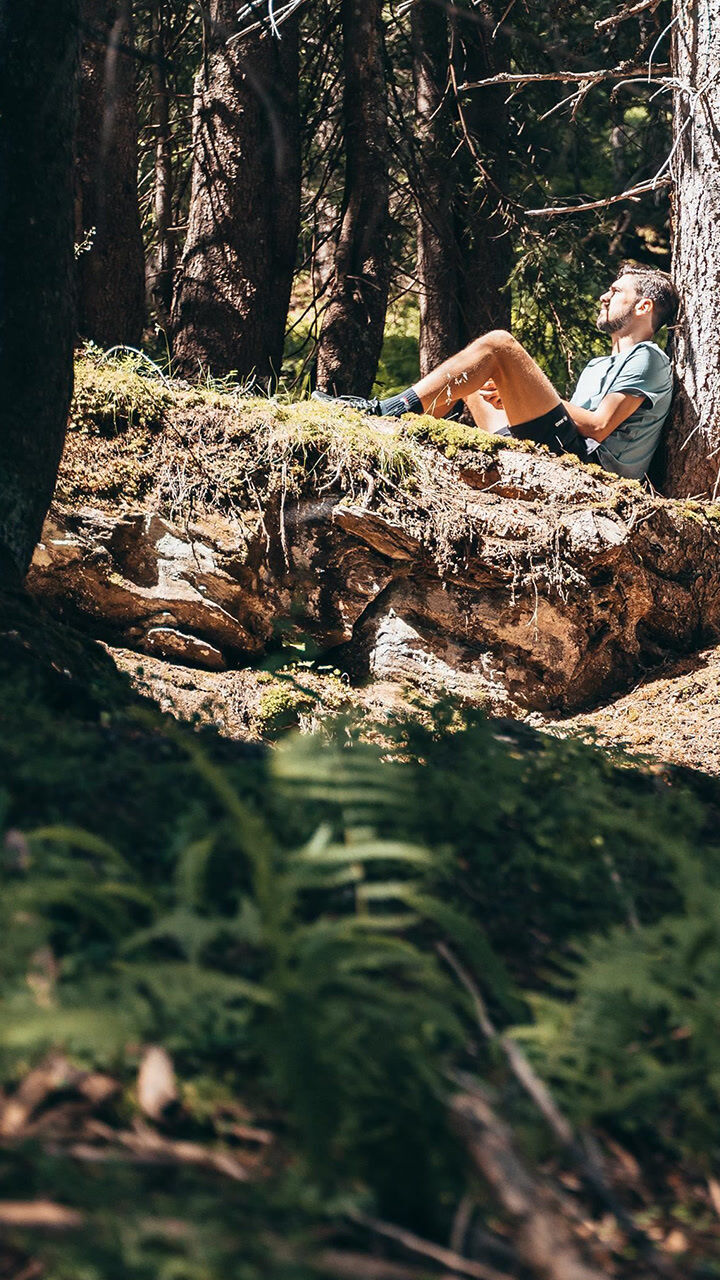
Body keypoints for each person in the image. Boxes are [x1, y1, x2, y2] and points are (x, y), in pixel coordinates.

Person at [313, 263, 679, 482]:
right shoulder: (599, 364)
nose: (604, 296)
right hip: (562, 446)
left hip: (592, 465)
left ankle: (388, 411)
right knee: (475, 377)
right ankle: (402, 433)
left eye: (615, 291)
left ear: (644, 306)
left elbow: (599, 426)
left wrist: (532, 395)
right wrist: (514, 394)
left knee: (499, 346)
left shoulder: (649, 357)